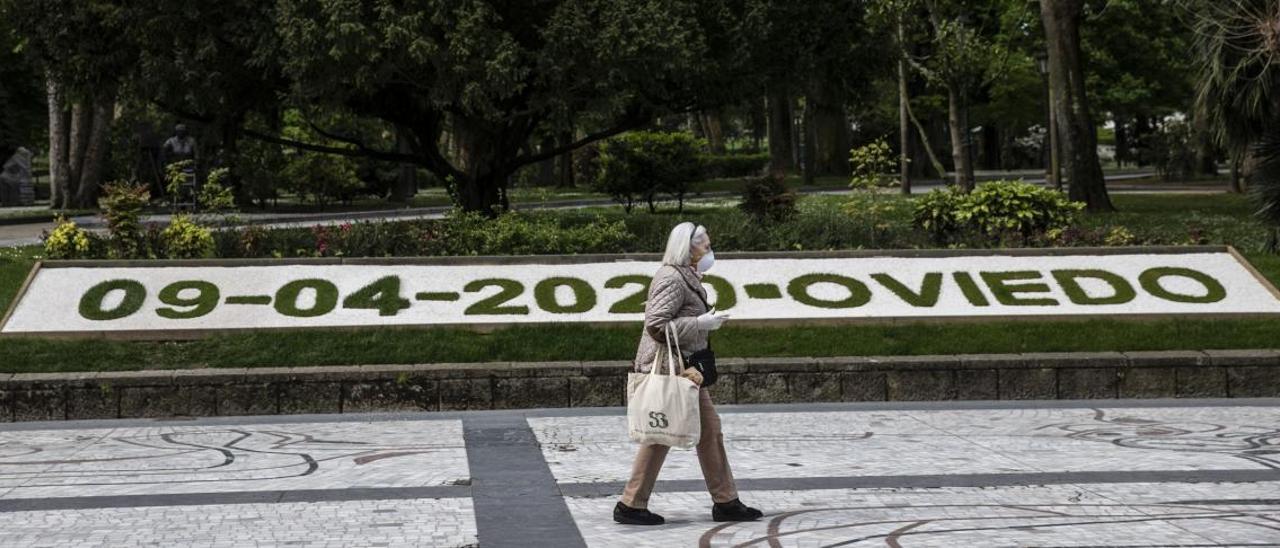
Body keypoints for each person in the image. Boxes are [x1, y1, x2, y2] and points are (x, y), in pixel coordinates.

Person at [613, 222, 764, 526]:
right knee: (668, 434)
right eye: (705, 245)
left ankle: (724, 501)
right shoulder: (671, 277)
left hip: (685, 367)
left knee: (706, 431)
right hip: (672, 367)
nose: (709, 249)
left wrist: (703, 322)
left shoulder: (688, 275)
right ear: (688, 247)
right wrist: (701, 324)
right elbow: (655, 325)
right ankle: (633, 504)